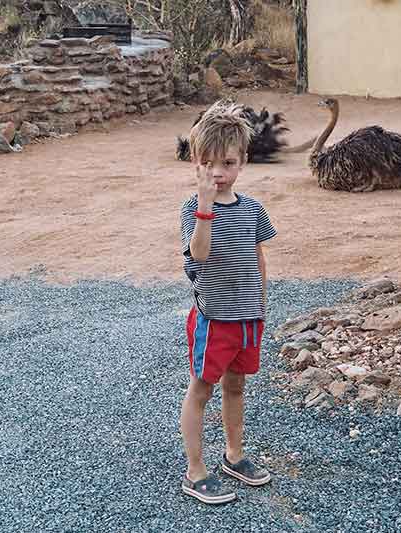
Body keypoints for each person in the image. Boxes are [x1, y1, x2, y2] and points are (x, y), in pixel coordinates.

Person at [178, 101, 277, 505]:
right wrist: (204, 209)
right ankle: (194, 469)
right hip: (214, 319)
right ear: (196, 163)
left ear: (243, 162)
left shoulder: (253, 209)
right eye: (209, 163)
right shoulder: (193, 209)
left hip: (247, 318)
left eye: (228, 162)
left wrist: (262, 307)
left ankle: (234, 455)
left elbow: (258, 259)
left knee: (236, 386)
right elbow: (197, 254)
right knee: (202, 388)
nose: (218, 172)